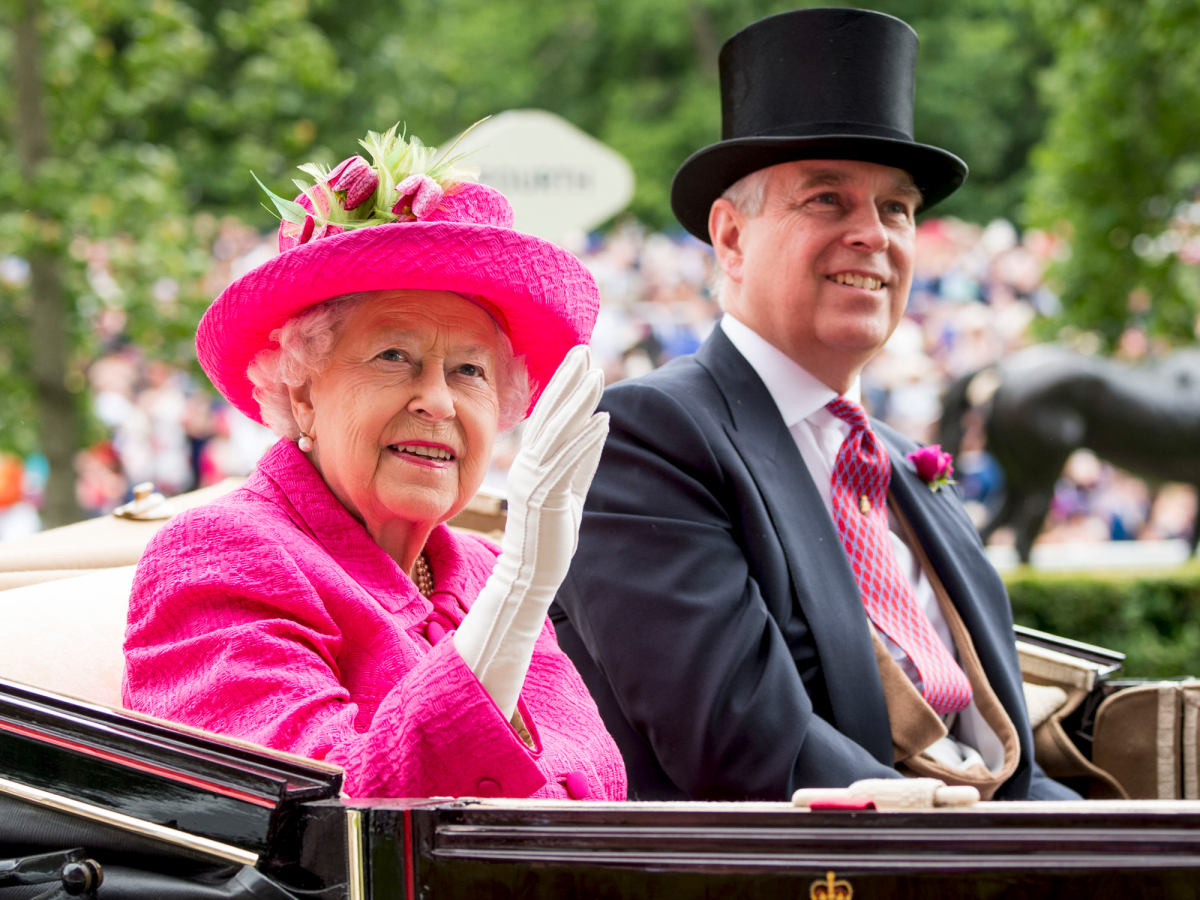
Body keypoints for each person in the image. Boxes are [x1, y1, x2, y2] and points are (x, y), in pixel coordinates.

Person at [551, 8, 1077, 801]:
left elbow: (1011, 767)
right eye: (827, 199)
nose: (874, 234)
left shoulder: (904, 460)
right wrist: (993, 844)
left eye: (896, 208)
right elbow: (750, 749)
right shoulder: (644, 438)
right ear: (730, 239)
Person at [124, 125, 626, 801]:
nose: (438, 401)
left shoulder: (477, 568)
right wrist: (517, 595)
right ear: (303, 388)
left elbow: (594, 783)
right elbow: (334, 823)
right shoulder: (216, 556)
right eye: (395, 356)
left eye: (470, 370)